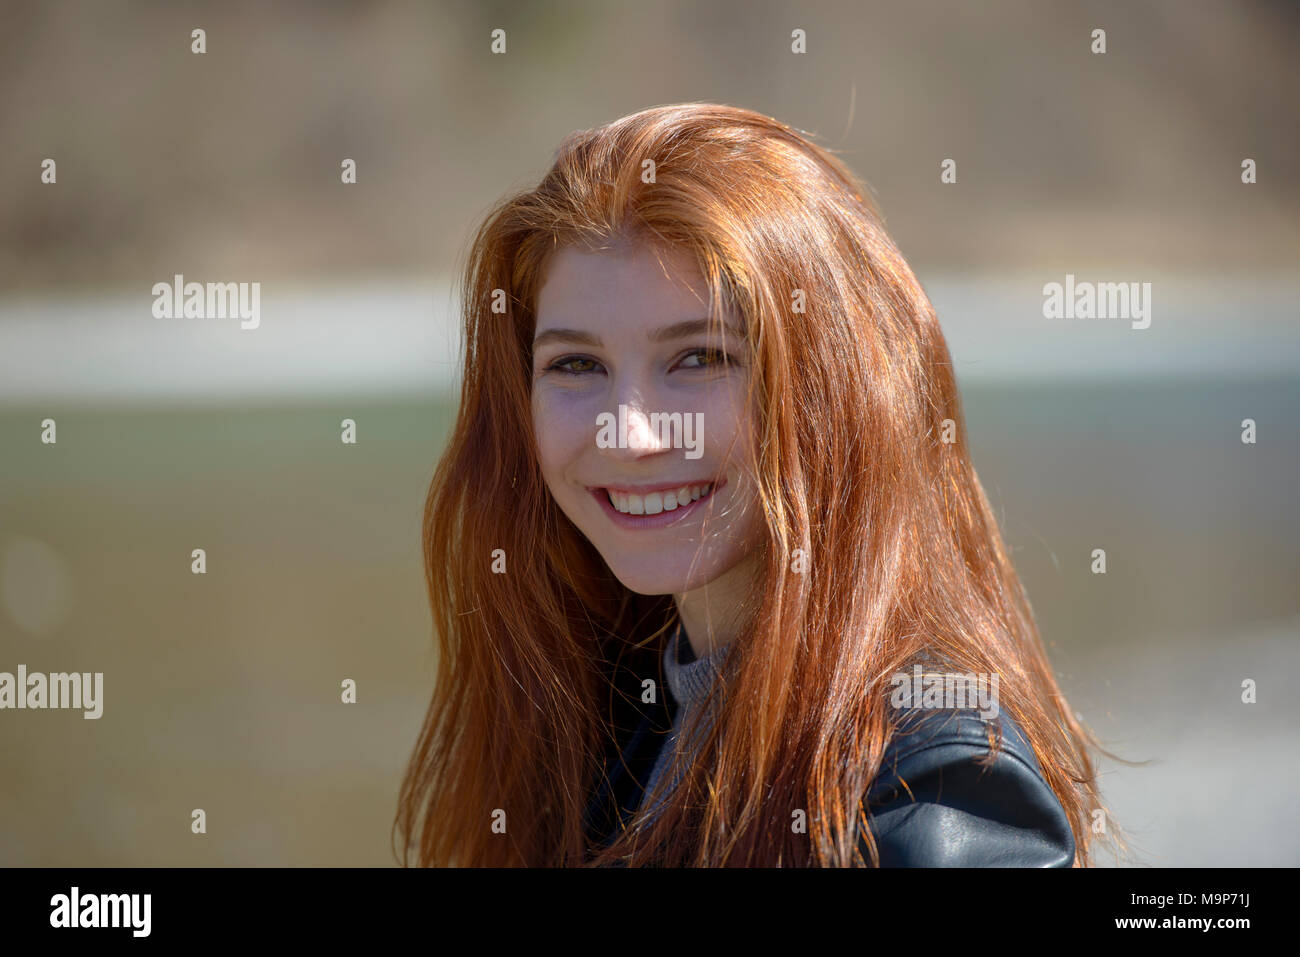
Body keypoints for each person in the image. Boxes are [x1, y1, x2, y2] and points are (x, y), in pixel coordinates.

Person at [395, 102, 1118, 866]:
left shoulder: (933, 781)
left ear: (834, 388)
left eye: (700, 358)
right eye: (576, 364)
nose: (632, 434)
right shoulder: (609, 721)